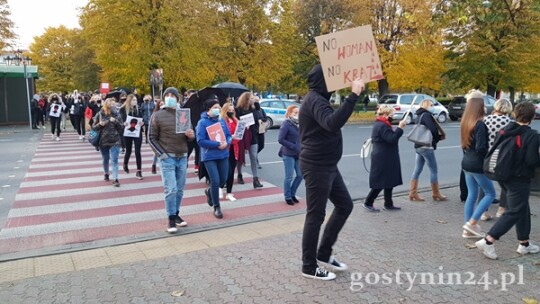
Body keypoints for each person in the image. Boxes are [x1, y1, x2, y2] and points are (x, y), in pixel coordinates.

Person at [299, 63, 365, 281]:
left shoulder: (319, 99)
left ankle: (324, 253)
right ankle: (309, 266)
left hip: (327, 165)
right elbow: (332, 123)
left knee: (345, 205)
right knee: (315, 215)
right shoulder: (315, 100)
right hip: (317, 165)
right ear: (323, 81)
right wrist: (353, 95)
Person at [475, 101, 540, 259]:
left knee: (522, 208)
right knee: (514, 210)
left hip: (503, 175)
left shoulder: (505, 130)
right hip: (520, 178)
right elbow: (532, 161)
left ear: (515, 114)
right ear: (532, 117)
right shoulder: (531, 135)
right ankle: (489, 240)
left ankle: (524, 243)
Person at [149, 87, 195, 233]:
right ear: (163, 99)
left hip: (182, 156)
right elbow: (151, 138)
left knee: (180, 190)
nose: (170, 97)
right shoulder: (157, 115)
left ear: (178, 98)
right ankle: (170, 218)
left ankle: (176, 214)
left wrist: (190, 135)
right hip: (167, 157)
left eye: (172, 95)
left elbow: (191, 136)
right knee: (171, 189)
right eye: (167, 95)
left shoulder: (183, 115)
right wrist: (162, 155)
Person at [461, 91, 496, 239]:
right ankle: (472, 224)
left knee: (472, 195)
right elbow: (481, 147)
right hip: (477, 164)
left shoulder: (465, 122)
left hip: (466, 162)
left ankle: (468, 227)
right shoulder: (480, 124)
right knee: (490, 193)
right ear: (480, 107)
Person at [364, 105, 407, 212]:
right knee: (380, 182)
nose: (393, 117)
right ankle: (368, 202)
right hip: (382, 157)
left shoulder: (382, 124)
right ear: (385, 115)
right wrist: (400, 128)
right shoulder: (382, 126)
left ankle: (388, 203)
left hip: (386, 156)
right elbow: (392, 139)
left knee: (389, 180)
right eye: (391, 115)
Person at [197, 96, 232, 219]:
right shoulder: (202, 122)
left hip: (223, 154)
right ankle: (217, 207)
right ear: (208, 109)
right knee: (215, 180)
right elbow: (200, 140)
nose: (218, 110)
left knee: (223, 179)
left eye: (219, 107)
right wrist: (217, 144)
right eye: (215, 108)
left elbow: (228, 135)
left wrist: (227, 142)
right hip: (209, 156)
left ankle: (210, 191)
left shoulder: (221, 121)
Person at [480, 98, 513, 220]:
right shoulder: (509, 122)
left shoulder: (486, 120)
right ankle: (501, 209)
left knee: (484, 185)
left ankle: (483, 212)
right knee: (504, 183)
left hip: (486, 155)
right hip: (502, 156)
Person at [408, 99, 447, 201]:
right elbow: (433, 129)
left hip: (418, 146)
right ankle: (436, 193)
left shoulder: (419, 115)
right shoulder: (427, 115)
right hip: (426, 146)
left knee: (417, 169)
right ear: (427, 105)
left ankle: (412, 193)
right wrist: (437, 138)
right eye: (431, 105)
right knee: (434, 170)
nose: (432, 106)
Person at [92, 98, 125, 187]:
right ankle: (106, 173)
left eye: (114, 104)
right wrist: (100, 124)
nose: (113, 106)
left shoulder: (117, 114)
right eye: (111, 104)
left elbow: (121, 127)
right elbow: (93, 128)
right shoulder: (100, 114)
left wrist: (115, 121)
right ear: (106, 104)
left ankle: (115, 178)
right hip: (103, 140)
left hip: (115, 140)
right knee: (105, 159)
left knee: (115, 160)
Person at [235, 92, 263, 189]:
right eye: (251, 98)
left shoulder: (253, 108)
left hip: (252, 135)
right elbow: (236, 121)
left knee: (253, 157)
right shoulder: (238, 109)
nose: (253, 99)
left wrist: (259, 121)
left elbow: (257, 117)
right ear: (246, 99)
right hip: (242, 135)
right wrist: (242, 124)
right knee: (240, 156)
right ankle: (239, 174)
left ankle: (255, 179)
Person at [278, 105, 302, 206]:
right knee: (289, 176)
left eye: (298, 113)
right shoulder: (286, 124)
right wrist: (293, 146)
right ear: (289, 114)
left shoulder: (300, 124)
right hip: (288, 153)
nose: (297, 115)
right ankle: (287, 196)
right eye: (295, 113)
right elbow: (281, 139)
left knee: (300, 175)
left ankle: (292, 194)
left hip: (298, 153)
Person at [120, 94, 144, 180]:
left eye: (136, 100)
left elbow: (142, 119)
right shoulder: (123, 109)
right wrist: (123, 123)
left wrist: (142, 123)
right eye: (133, 100)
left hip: (137, 132)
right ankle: (125, 164)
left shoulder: (138, 109)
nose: (135, 101)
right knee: (128, 151)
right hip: (127, 133)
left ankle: (139, 171)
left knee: (138, 151)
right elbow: (120, 120)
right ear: (129, 101)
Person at [221, 102, 239, 201]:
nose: (231, 112)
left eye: (232, 110)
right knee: (226, 171)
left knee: (231, 171)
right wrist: (230, 137)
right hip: (225, 148)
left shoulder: (235, 121)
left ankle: (229, 192)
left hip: (234, 148)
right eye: (229, 110)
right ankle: (219, 187)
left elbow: (239, 135)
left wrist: (234, 137)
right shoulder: (222, 121)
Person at [151, 98, 164, 175]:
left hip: (165, 135)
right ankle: (154, 164)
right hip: (158, 135)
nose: (162, 106)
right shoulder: (155, 114)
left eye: (163, 104)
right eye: (160, 104)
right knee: (157, 151)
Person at [253, 100, 268, 169]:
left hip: (261, 130)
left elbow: (265, 118)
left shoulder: (261, 110)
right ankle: (256, 161)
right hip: (254, 131)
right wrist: (257, 120)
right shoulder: (251, 111)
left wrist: (262, 120)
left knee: (261, 146)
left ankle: (253, 155)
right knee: (255, 146)